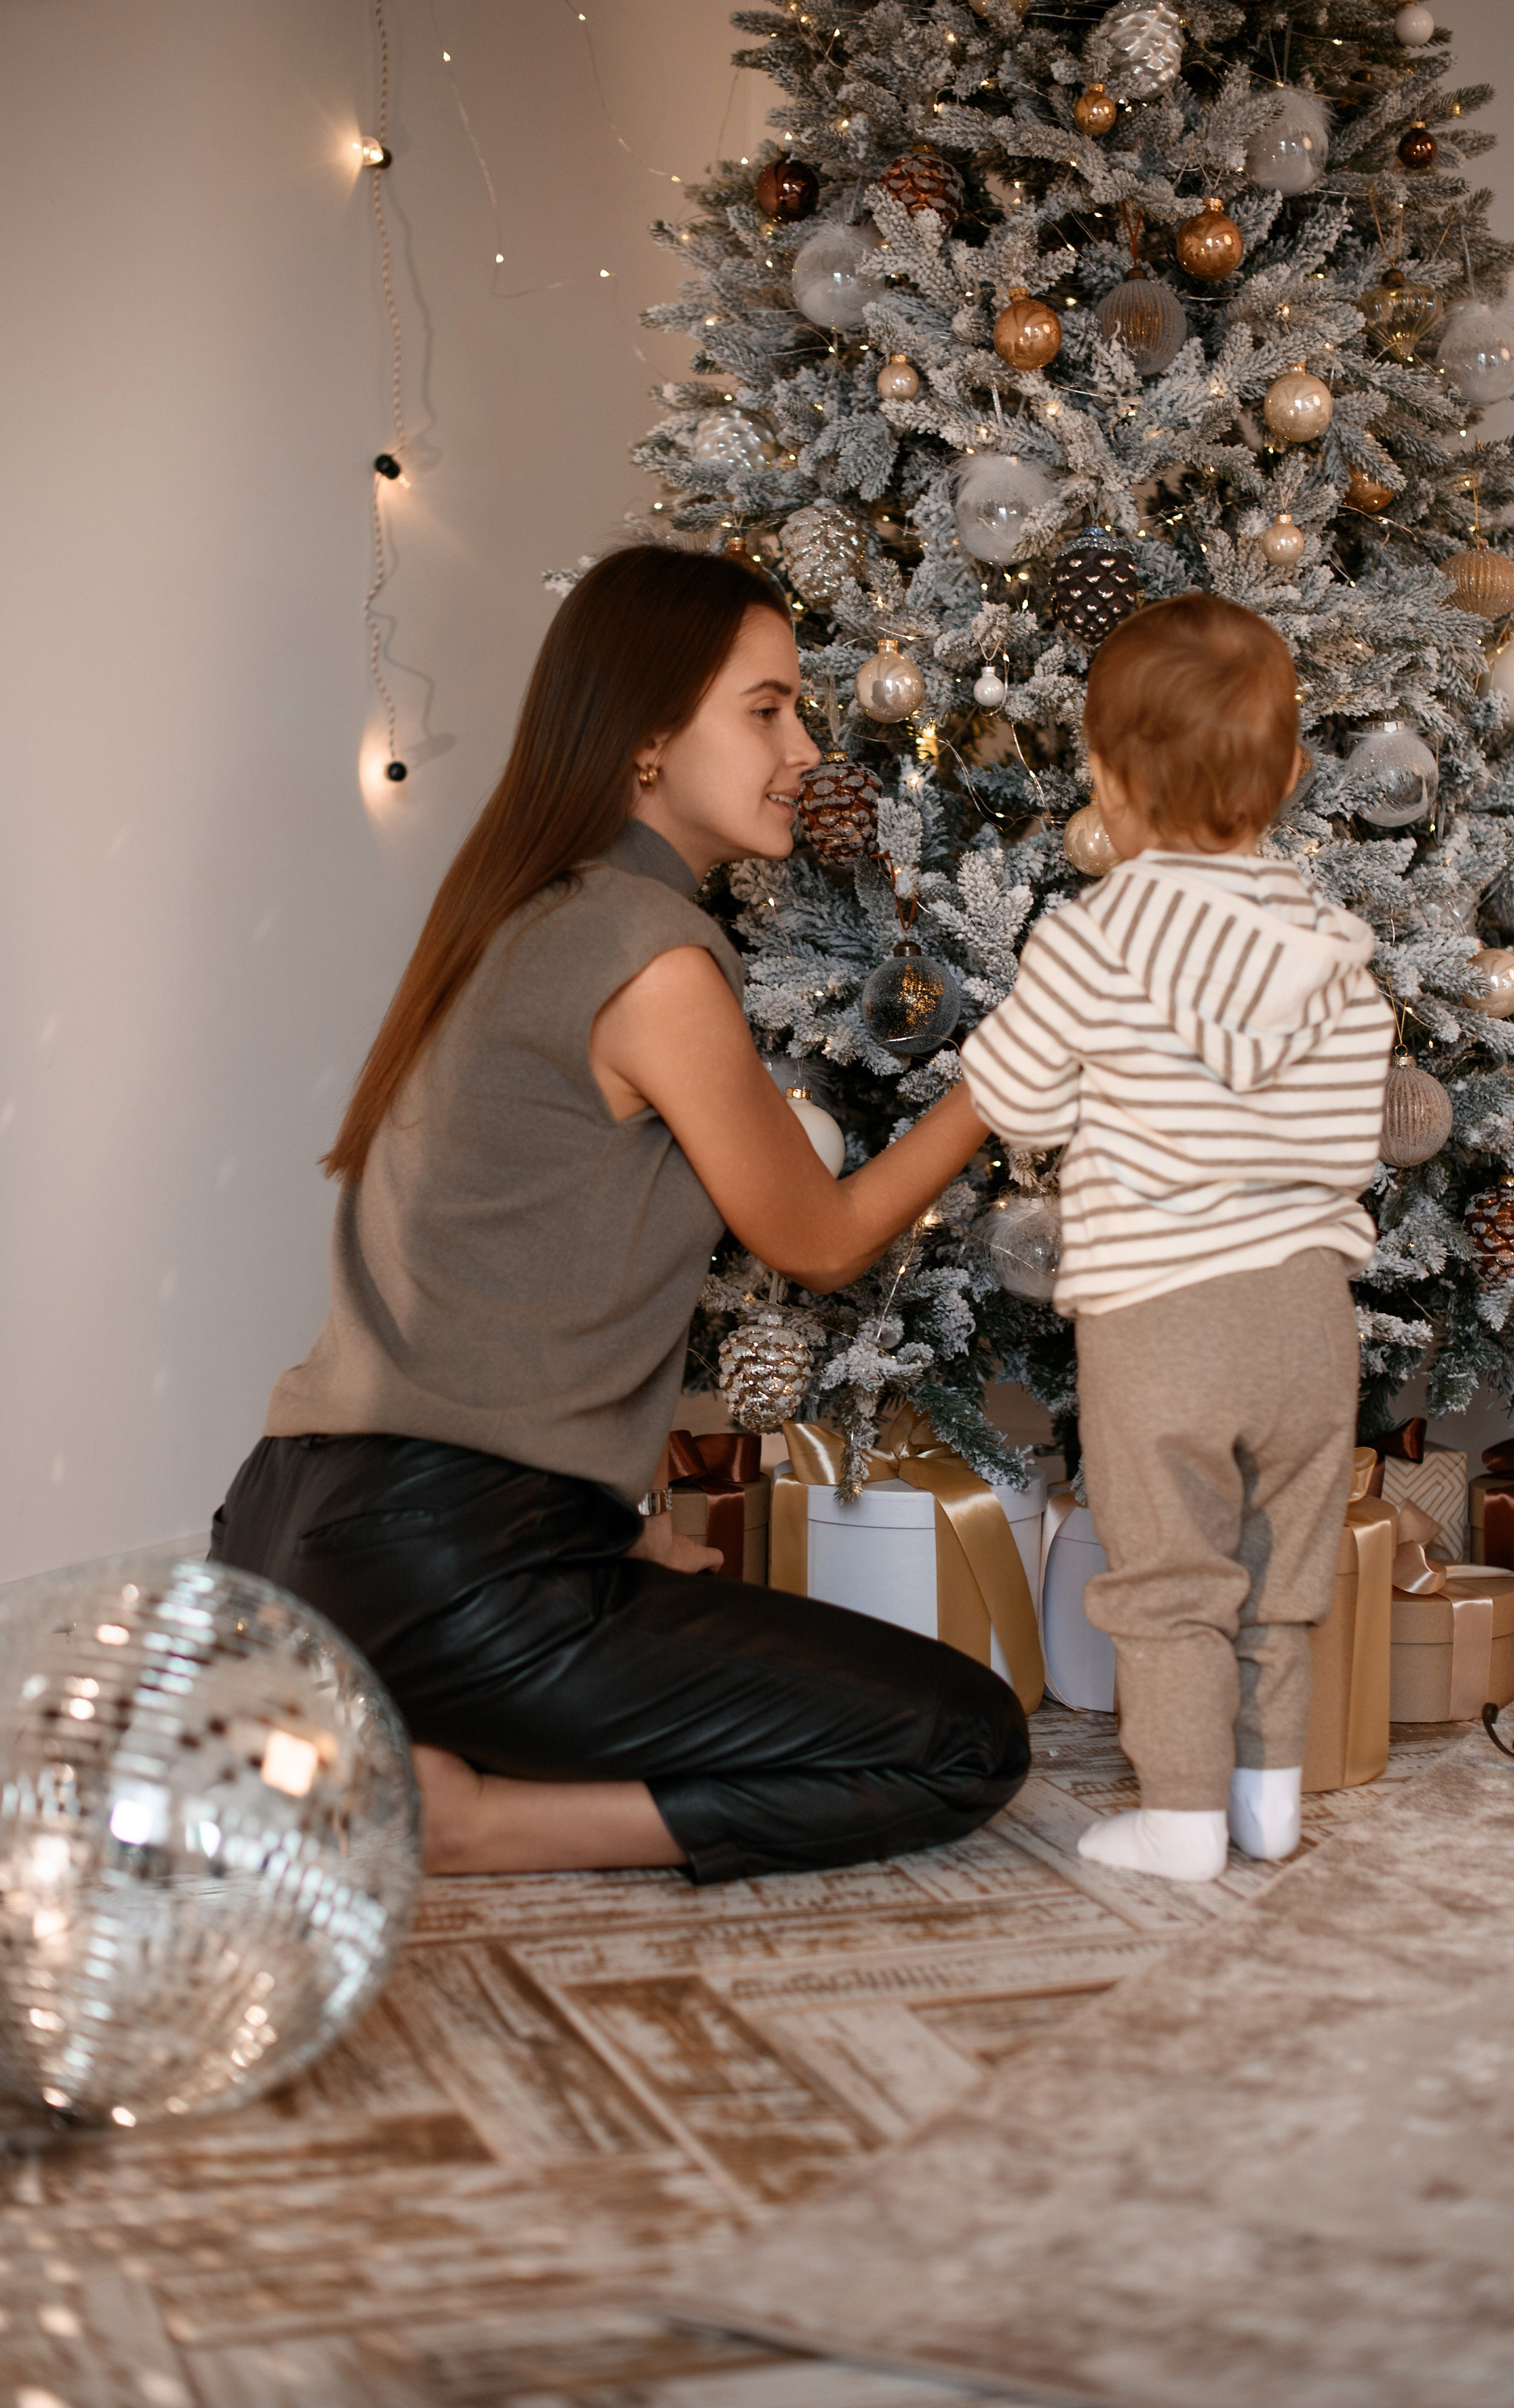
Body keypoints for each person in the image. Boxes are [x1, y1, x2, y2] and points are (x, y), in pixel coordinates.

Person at [214, 545, 1027, 1882]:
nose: (803, 746)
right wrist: (1008, 1075)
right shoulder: (647, 950)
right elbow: (817, 1241)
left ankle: (438, 1738)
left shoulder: (521, 916)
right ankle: (469, 1824)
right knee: (961, 1742)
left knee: (726, 1636)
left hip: (289, 1541)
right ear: (649, 741)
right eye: (764, 710)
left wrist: (613, 1530)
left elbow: (496, 1287)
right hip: (445, 1562)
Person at [960, 594, 1390, 1883]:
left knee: (1168, 1573)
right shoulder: (1330, 943)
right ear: (1291, 774)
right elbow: (1357, 1113)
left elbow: (1019, 1097)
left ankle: (1184, 1817)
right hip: (1308, 1309)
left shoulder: (1095, 938)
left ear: (1102, 772)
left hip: (1159, 1310)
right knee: (1277, 1567)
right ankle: (1266, 1798)